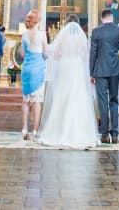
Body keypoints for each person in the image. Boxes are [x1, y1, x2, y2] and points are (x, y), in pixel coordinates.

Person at [38, 13, 98, 148]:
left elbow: (56, 55)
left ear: (67, 23)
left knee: (62, 96)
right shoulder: (82, 37)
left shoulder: (63, 36)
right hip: (77, 67)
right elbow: (85, 57)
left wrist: (64, 55)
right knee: (78, 96)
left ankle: (57, 131)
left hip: (65, 67)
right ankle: (81, 133)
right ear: (78, 23)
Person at [89, 7, 119, 144]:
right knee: (114, 100)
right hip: (114, 69)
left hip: (100, 70)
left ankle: (104, 134)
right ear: (112, 17)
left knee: (102, 102)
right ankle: (115, 134)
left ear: (101, 18)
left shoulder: (96, 31)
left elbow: (93, 53)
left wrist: (91, 72)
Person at [20, 8, 48, 140]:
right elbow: (46, 54)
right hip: (37, 69)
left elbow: (22, 54)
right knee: (36, 101)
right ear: (38, 20)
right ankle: (35, 131)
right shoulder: (42, 34)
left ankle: (24, 129)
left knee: (26, 100)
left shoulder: (24, 35)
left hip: (26, 68)